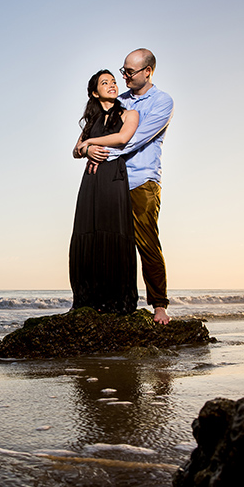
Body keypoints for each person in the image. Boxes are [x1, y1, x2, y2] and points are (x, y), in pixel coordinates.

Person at [82, 49, 173, 324]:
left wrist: (98, 149)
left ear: (148, 71)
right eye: (123, 71)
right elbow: (93, 132)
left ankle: (159, 305)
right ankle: (113, 302)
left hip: (142, 181)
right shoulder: (118, 100)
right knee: (112, 245)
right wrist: (86, 149)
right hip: (112, 181)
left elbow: (133, 140)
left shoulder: (162, 102)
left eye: (129, 72)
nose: (123, 77)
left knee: (146, 243)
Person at [68, 69, 140, 315]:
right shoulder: (91, 122)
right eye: (104, 82)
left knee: (114, 232)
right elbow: (74, 150)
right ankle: (87, 299)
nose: (111, 85)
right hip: (91, 180)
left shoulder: (130, 113)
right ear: (94, 92)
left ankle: (117, 301)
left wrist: (90, 143)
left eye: (113, 81)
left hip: (113, 177)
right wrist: (86, 150)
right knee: (87, 232)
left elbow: (122, 138)